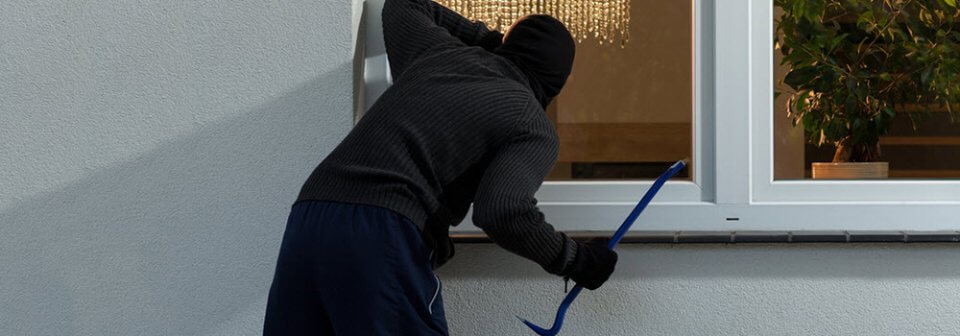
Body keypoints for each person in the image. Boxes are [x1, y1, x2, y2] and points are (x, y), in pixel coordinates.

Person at [262, 0, 618, 334]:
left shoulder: (437, 54)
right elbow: (503, 211)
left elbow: (403, 4)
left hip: (310, 215)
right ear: (555, 84)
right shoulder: (531, 122)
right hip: (382, 230)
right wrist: (575, 260)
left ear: (510, 45)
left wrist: (489, 41)